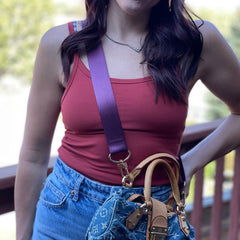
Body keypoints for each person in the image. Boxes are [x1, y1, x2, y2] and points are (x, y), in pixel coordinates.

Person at [15, 0, 240, 239]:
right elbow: (33, 156)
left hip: (150, 218)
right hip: (65, 215)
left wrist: (190, 163)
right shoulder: (61, 43)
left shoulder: (197, 41)